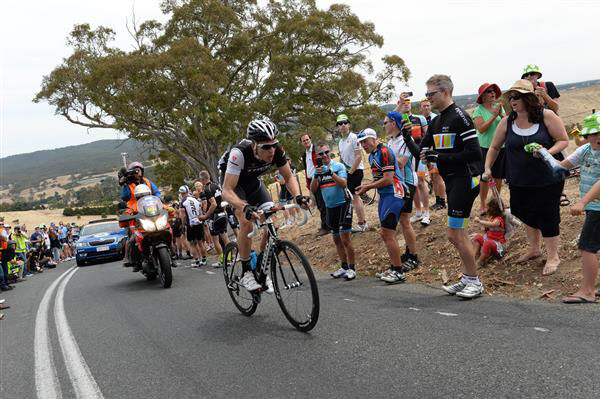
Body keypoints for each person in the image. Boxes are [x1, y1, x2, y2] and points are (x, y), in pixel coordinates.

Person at [484, 79, 568, 275]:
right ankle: (534, 249)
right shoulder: (507, 121)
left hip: (547, 177)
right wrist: (487, 167)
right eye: (511, 97)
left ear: (528, 98)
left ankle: (553, 256)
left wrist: (546, 151)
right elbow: (495, 147)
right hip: (519, 178)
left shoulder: (547, 116)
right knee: (522, 210)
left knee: (547, 215)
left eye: (517, 97)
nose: (512, 101)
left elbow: (563, 140)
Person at [222, 119, 308, 292]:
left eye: (274, 145)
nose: (271, 150)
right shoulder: (239, 154)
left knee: (271, 222)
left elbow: (289, 177)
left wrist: (298, 196)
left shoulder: (277, 151)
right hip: (233, 184)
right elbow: (226, 191)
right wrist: (245, 207)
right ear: (254, 145)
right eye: (266, 147)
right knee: (245, 222)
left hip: (253, 183)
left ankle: (261, 266)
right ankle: (246, 271)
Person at [421, 74, 483, 299]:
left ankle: (474, 281)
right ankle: (468, 278)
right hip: (452, 180)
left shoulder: (460, 117)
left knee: (455, 234)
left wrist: (439, 157)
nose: (428, 98)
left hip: (465, 179)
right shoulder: (436, 121)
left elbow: (475, 153)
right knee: (455, 233)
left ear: (445, 92)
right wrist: (412, 141)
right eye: (426, 94)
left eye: (431, 94)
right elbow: (423, 147)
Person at [355, 128, 407, 284]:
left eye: (365, 141)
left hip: (394, 193)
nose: (363, 145)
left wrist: (368, 187)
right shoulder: (372, 156)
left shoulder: (384, 151)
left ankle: (398, 271)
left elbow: (388, 179)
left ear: (373, 138)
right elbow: (379, 177)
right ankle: (394, 267)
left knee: (388, 232)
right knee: (384, 234)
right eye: (361, 143)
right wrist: (368, 185)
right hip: (385, 195)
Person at [559, 114, 600, 303]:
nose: (598, 136)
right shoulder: (585, 150)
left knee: (587, 247)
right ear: (587, 135)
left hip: (597, 207)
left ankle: (588, 291)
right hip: (593, 207)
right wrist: (542, 156)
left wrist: (582, 202)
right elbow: (562, 166)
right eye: (594, 133)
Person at [310, 143, 356, 280]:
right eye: (321, 154)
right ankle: (344, 266)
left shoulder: (338, 166)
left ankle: (352, 268)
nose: (324, 155)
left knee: (345, 238)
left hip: (343, 204)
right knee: (336, 239)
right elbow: (313, 189)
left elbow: (343, 184)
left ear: (330, 153)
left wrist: (330, 173)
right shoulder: (317, 170)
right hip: (330, 207)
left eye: (326, 152)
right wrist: (316, 176)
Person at [385, 111, 422, 270]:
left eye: (386, 122)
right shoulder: (390, 142)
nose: (384, 125)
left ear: (394, 123)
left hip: (407, 181)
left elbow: (401, 163)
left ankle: (414, 256)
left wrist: (385, 161)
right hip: (397, 184)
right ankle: (408, 252)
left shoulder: (406, 140)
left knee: (405, 221)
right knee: (402, 220)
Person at [394, 95, 431, 226]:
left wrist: (427, 151)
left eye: (408, 101)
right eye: (403, 102)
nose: (406, 104)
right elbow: (391, 117)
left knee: (420, 182)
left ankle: (427, 212)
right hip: (406, 155)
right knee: (413, 184)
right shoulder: (398, 120)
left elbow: (427, 135)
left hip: (419, 153)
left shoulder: (419, 118)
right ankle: (419, 211)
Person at [120, 161, 161, 269]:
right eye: (135, 170)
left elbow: (156, 192)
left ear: (142, 171)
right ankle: (130, 258)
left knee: (165, 227)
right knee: (133, 237)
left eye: (139, 170)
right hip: (134, 209)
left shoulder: (147, 181)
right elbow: (125, 197)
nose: (137, 172)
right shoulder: (128, 183)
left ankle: (171, 253)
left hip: (150, 208)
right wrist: (124, 183)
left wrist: (160, 201)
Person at [473, 82, 506, 214]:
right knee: (485, 177)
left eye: (493, 91)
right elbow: (481, 129)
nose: (492, 93)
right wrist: (493, 116)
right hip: (485, 147)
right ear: (483, 96)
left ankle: (496, 202)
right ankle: (482, 204)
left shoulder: (498, 107)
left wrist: (500, 114)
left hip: (500, 146)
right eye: (489, 91)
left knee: (498, 176)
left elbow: (506, 122)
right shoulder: (478, 110)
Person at [336, 114, 368, 231]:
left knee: (355, 197)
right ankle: (361, 222)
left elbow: (359, 157)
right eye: (340, 123)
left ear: (349, 124)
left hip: (356, 171)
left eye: (345, 122)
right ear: (338, 127)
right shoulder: (340, 142)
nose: (343, 125)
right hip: (347, 172)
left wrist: (350, 172)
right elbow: (342, 159)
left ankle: (362, 223)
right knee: (352, 198)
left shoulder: (354, 137)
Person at [199, 170, 230, 268]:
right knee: (225, 237)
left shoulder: (207, 189)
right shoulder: (216, 186)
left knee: (215, 240)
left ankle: (222, 261)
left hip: (215, 216)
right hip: (223, 214)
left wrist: (206, 216)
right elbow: (223, 198)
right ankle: (229, 258)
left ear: (203, 179)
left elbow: (213, 203)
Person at [420, 98, 447, 211]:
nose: (426, 107)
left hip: (435, 151)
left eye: (428, 105)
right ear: (420, 108)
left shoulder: (435, 117)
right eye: (424, 106)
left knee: (437, 176)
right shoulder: (420, 119)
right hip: (426, 152)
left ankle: (442, 201)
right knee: (432, 176)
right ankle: (437, 200)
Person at [300, 134, 329, 236]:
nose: (306, 141)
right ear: (302, 143)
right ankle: (326, 224)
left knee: (322, 203)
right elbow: (307, 167)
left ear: (310, 139)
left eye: (307, 139)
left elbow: (322, 162)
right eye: (304, 140)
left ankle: (326, 227)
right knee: (320, 203)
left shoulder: (316, 150)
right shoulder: (305, 154)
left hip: (319, 179)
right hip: (312, 181)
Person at [472, 198, 506, 267]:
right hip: (489, 240)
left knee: (488, 243)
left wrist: (480, 221)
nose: (487, 209)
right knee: (477, 238)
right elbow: (487, 228)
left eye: (488, 208)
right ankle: (475, 255)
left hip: (498, 246)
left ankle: (480, 261)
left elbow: (492, 224)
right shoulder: (492, 218)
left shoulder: (498, 219)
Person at [179, 185, 209, 267]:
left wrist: (182, 224)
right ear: (188, 191)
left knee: (192, 243)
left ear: (181, 193)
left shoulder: (183, 201)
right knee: (200, 242)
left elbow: (183, 215)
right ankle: (204, 259)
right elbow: (200, 209)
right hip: (199, 222)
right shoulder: (194, 199)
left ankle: (197, 261)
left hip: (190, 224)